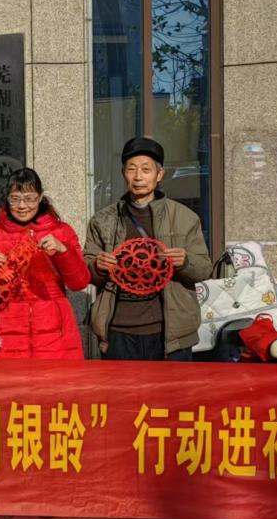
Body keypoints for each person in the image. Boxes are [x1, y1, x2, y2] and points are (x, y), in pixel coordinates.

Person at [83, 137, 212, 360]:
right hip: (118, 330)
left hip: (170, 334)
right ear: (123, 173)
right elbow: (85, 271)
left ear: (159, 174)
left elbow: (204, 269)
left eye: (146, 169)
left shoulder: (184, 217)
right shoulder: (103, 220)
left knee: (172, 385)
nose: (138, 177)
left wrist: (186, 261)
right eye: (131, 169)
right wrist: (97, 265)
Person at [0, 168, 91, 359]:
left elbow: (80, 282)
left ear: (40, 197)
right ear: (7, 198)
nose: (22, 206)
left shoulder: (62, 231)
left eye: (29, 199)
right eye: (15, 199)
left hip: (53, 328)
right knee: (11, 377)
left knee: (55, 377)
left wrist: (63, 251)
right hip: (8, 327)